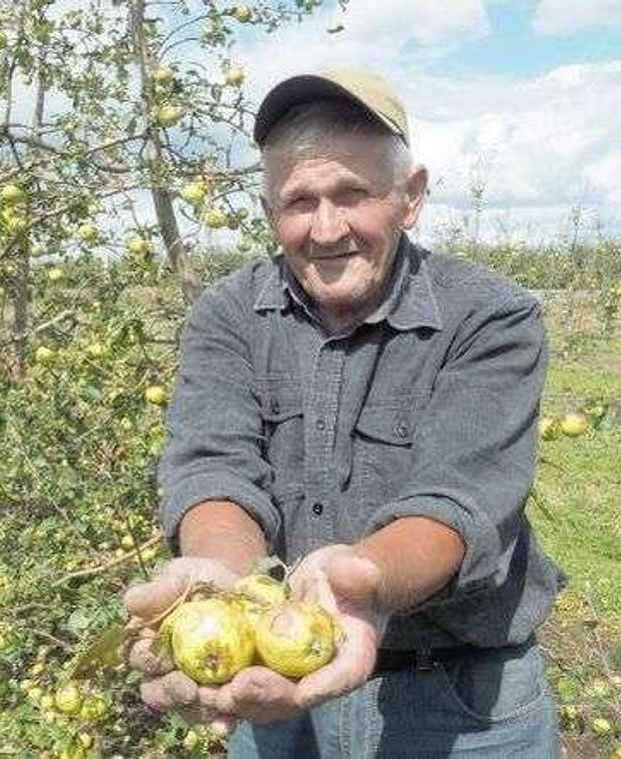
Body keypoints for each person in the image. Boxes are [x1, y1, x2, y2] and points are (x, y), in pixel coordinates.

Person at [123, 68, 565, 757]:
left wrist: (364, 579)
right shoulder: (228, 315)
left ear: (410, 197)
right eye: (300, 200)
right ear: (271, 210)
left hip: (461, 706)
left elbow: (458, 500)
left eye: (352, 194)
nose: (326, 228)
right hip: (271, 682)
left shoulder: (490, 317)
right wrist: (220, 581)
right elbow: (214, 469)